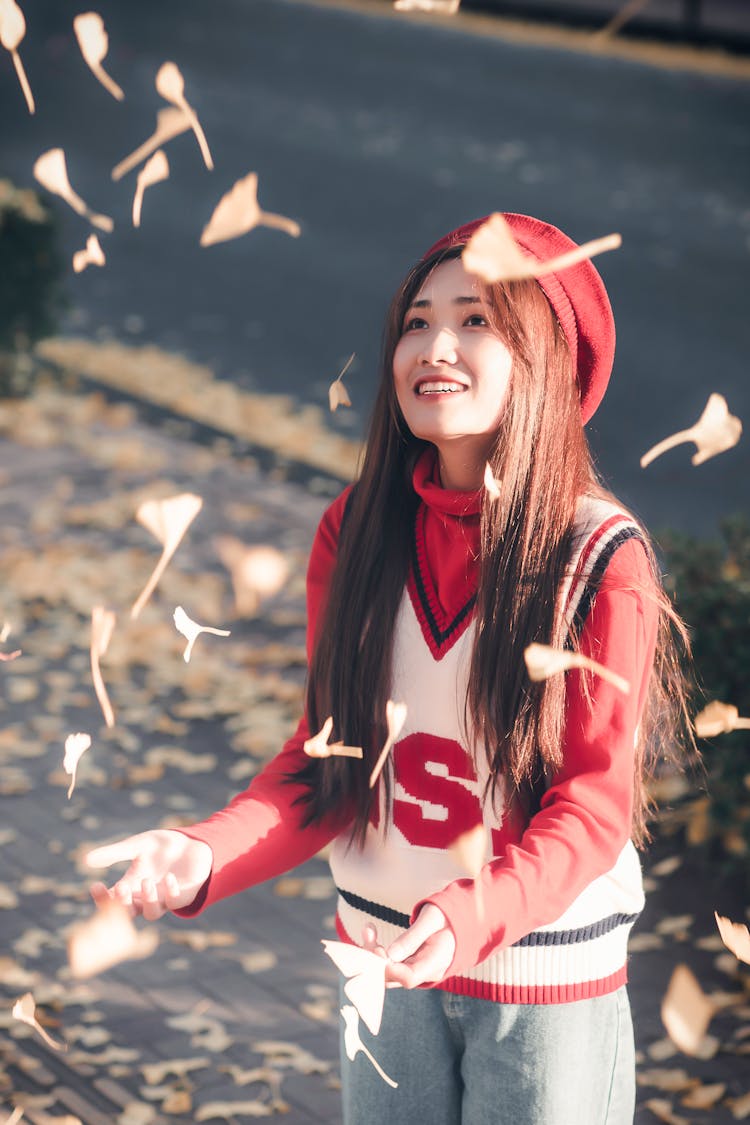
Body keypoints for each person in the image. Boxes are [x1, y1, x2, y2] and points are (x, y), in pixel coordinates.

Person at [87, 213, 692, 1125]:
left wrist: (467, 916)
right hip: (383, 965)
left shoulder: (600, 556)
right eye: (416, 319)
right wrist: (202, 850)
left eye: (478, 319)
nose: (435, 343)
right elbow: (329, 763)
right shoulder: (357, 528)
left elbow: (593, 809)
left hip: (543, 984)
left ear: (550, 360)